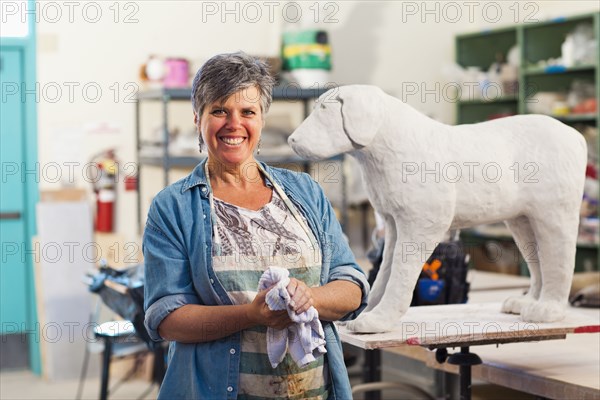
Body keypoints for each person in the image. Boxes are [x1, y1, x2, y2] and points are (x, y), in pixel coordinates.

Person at [143, 51, 369, 399]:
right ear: (197, 119)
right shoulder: (173, 207)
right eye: (219, 110)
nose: (234, 124)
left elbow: (351, 285)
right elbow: (167, 318)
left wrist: (311, 297)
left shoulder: (304, 193)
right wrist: (251, 314)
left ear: (261, 119)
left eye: (247, 112)